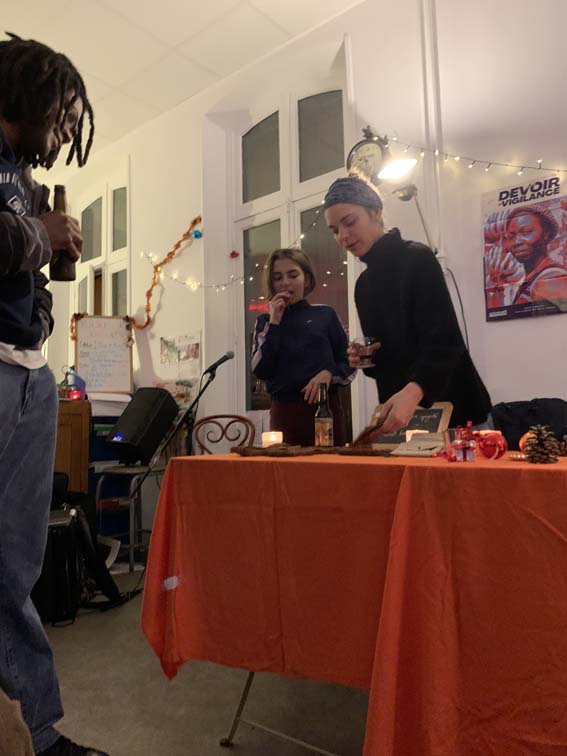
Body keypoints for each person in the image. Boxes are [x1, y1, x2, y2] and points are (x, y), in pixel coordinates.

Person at [0, 35, 108, 756]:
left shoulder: (21, 175)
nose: (68, 131)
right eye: (64, 114)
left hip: (29, 373)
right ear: (29, 93)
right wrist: (37, 233)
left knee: (15, 566)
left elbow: (29, 267)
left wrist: (39, 312)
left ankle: (31, 734)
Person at [323, 174, 491, 440]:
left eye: (350, 222)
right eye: (334, 230)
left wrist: (413, 392)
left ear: (376, 212)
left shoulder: (417, 259)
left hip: (457, 416)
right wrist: (366, 358)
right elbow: (388, 363)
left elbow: (446, 344)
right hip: (404, 421)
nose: (343, 236)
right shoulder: (363, 286)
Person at [251, 247, 354, 445]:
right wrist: (275, 322)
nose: (285, 282)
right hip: (284, 414)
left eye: (293, 275)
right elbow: (261, 370)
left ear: (306, 279)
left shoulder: (326, 315)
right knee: (285, 465)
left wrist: (329, 374)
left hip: (325, 412)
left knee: (330, 464)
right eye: (277, 277)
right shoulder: (265, 322)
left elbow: (348, 362)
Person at [505, 206, 567, 306]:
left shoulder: (551, 278)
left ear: (546, 234)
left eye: (526, 232)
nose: (517, 242)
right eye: (511, 236)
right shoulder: (533, 278)